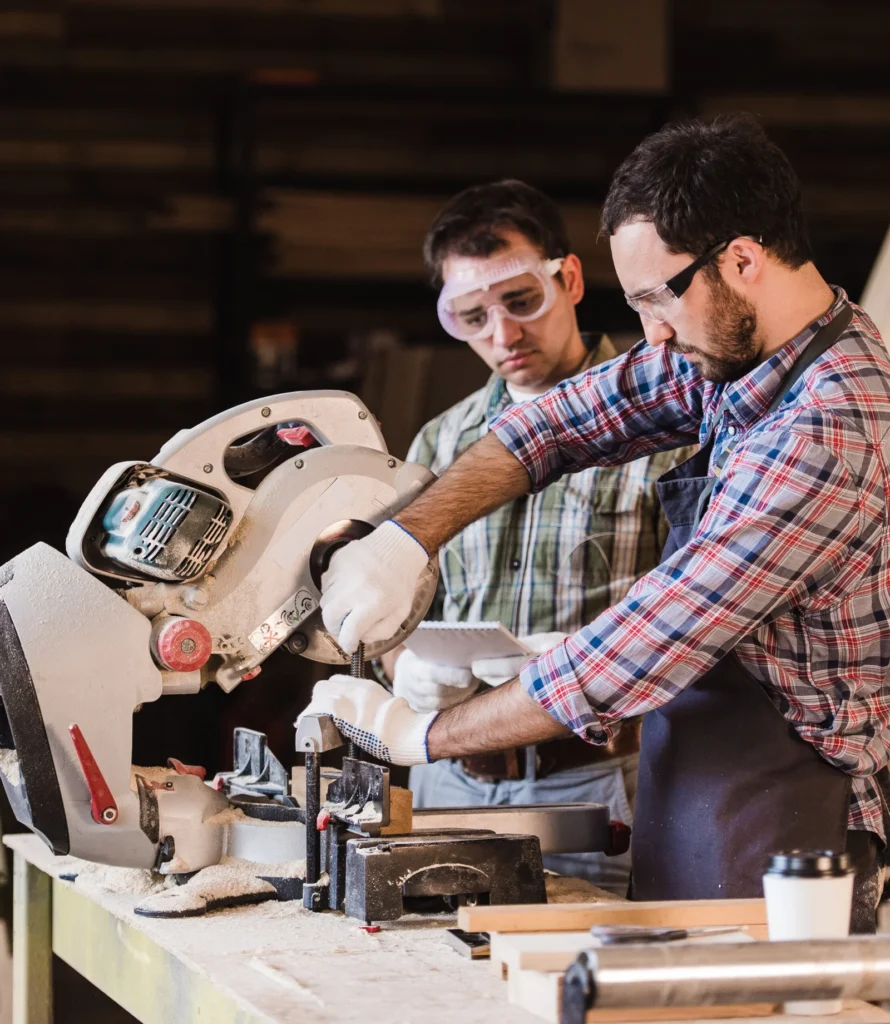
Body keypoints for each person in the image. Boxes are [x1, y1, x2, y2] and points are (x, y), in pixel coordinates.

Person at [306, 113, 890, 932]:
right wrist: (409, 537)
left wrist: (425, 735)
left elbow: (643, 644)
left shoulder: (828, 426)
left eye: (658, 298)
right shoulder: (737, 359)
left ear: (744, 260)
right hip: (701, 787)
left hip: (791, 819)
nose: (649, 330)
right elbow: (555, 425)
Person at [379, 180, 690, 894]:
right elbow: (400, 606)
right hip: (450, 783)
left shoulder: (663, 425)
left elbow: (705, 614)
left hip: (595, 778)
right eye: (472, 316)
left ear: (569, 279)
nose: (503, 333)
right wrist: (404, 667)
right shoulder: (442, 440)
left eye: (521, 302)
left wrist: (601, 672)